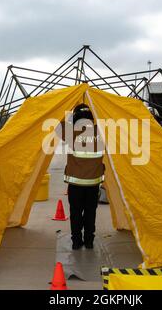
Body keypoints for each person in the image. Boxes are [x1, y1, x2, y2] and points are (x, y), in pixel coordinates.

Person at [61, 104, 105, 250]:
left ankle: (76, 242)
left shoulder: (69, 132)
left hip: (75, 185)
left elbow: (56, 123)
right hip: (93, 185)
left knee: (75, 213)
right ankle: (89, 241)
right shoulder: (101, 132)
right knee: (90, 213)